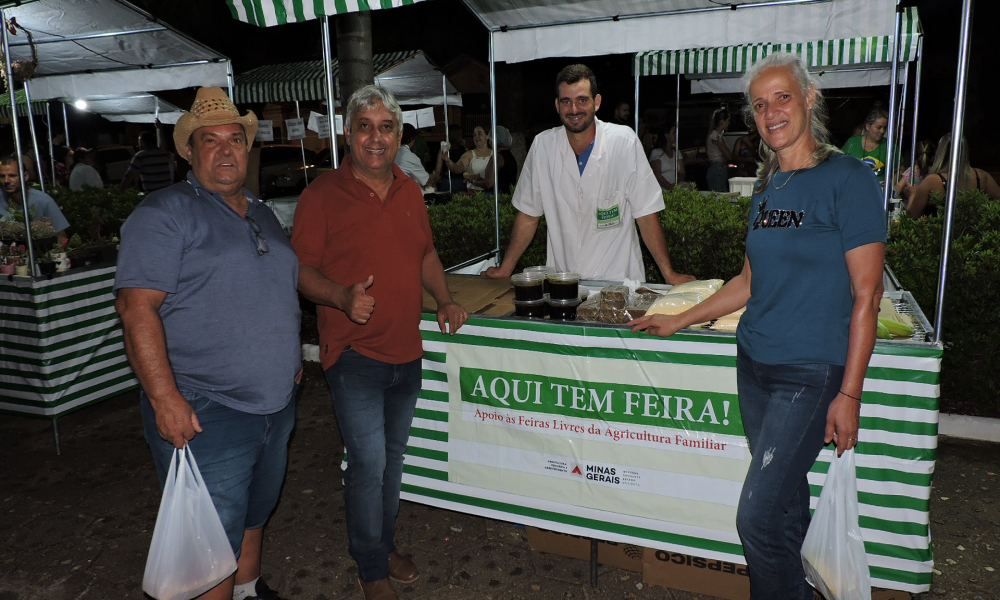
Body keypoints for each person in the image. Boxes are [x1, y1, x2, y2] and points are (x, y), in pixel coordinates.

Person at [629, 52, 886, 599]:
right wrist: (677, 319)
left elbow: (868, 294)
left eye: (782, 97)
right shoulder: (769, 187)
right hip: (756, 367)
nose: (771, 112)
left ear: (809, 99)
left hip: (811, 373)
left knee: (757, 520)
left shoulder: (848, 178)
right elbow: (747, 280)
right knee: (786, 503)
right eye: (760, 104)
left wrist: (850, 395)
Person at [114, 87, 300, 600]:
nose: (224, 150)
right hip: (205, 408)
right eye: (209, 140)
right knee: (207, 542)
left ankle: (248, 591)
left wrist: (286, 360)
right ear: (189, 153)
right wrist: (164, 399)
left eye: (234, 139)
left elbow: (273, 287)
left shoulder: (261, 213)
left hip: (275, 404)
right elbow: (136, 308)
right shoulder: (165, 212)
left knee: (254, 514)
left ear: (247, 148)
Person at [290, 85, 467, 600]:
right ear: (349, 133)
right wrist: (342, 298)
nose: (375, 137)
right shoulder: (321, 195)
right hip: (353, 356)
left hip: (405, 353)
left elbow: (426, 255)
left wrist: (446, 299)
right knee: (368, 464)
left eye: (385, 127)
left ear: (398, 135)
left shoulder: (411, 189)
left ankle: (383, 543)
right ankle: (371, 567)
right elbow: (297, 270)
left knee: (391, 460)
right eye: (365, 126)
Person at [484, 64, 693, 284]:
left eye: (582, 100)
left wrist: (668, 273)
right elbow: (528, 214)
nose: (574, 109)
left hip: (618, 284)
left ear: (597, 102)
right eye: (566, 101)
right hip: (564, 284)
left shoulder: (624, 142)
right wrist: (506, 268)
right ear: (557, 105)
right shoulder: (543, 146)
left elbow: (646, 213)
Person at [906, 133, 1000, 219]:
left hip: (939, 236)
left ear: (940, 152)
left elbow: (912, 216)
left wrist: (912, 195)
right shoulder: (981, 176)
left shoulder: (932, 181)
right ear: (965, 151)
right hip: (974, 235)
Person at [0, 156, 70, 244]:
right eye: (2, 176)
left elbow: (61, 236)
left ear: (25, 176)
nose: (6, 180)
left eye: (12, 175)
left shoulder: (43, 200)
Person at [121, 122, 175, 192]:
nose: (138, 145)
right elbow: (164, 144)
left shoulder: (140, 156)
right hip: (168, 192)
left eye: (139, 142)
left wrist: (120, 192)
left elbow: (128, 176)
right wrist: (160, 129)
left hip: (153, 194)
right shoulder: (163, 153)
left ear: (143, 143)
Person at [841, 108, 890, 184]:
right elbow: (841, 164)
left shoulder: (889, 145)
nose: (882, 131)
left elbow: (899, 169)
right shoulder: (852, 142)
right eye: (879, 127)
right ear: (868, 126)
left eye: (885, 128)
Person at [442, 124, 491, 192]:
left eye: (479, 134)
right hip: (474, 193)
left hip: (493, 192)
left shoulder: (495, 154)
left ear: (487, 136)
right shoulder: (469, 154)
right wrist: (448, 161)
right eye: (474, 135)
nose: (476, 137)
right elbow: (458, 168)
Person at [394, 123, 443, 190]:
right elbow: (426, 180)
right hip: (404, 192)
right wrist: (435, 175)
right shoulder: (409, 157)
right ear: (412, 138)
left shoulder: (392, 152)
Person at [478, 125, 518, 194]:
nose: (489, 142)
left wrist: (473, 181)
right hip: (509, 196)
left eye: (490, 139)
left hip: (496, 197)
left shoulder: (497, 157)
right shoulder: (511, 157)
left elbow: (488, 184)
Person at [648, 124, 686, 190]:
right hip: (662, 189)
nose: (676, 135)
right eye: (674, 132)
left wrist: (678, 186)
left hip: (677, 188)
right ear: (666, 135)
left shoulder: (677, 152)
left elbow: (682, 172)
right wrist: (670, 187)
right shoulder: (656, 152)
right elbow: (657, 175)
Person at [706, 107, 733, 192]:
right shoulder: (717, 138)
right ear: (722, 122)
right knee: (720, 195)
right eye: (728, 121)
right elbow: (729, 157)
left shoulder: (712, 135)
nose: (729, 123)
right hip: (718, 168)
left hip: (715, 167)